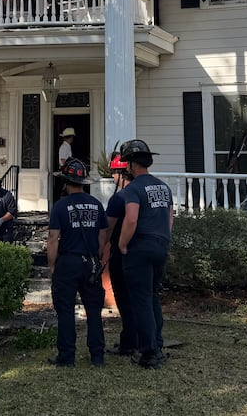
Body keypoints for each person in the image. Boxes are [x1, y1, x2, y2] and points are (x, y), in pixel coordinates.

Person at [46, 157, 108, 367]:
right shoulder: (97, 205)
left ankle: (67, 357)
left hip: (68, 262)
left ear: (65, 182)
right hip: (90, 262)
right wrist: (95, 258)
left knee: (65, 311)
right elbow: (102, 236)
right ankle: (97, 356)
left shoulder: (60, 207)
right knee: (93, 311)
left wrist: (52, 264)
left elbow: (53, 238)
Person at [117, 139, 174, 369]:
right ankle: (157, 344)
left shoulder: (133, 189)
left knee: (140, 300)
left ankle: (149, 353)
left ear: (131, 164)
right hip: (160, 246)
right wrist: (163, 240)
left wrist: (122, 244)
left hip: (139, 248)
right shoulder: (163, 187)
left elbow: (131, 218)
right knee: (152, 296)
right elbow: (170, 218)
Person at [100, 152, 137, 356]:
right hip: (141, 253)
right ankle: (145, 339)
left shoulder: (120, 198)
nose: (113, 177)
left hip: (121, 253)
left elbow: (108, 229)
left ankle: (129, 342)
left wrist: (100, 251)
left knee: (123, 297)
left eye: (114, 173)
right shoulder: (141, 194)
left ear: (122, 173)